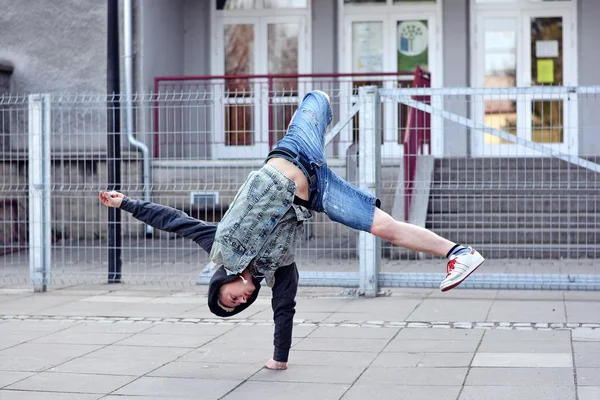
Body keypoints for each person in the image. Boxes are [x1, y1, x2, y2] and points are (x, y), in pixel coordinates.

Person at [99, 90, 484, 370]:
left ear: (221, 285)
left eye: (228, 299)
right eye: (238, 306)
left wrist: (126, 203)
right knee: (385, 228)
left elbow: (172, 220)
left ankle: (340, 99)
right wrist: (278, 361)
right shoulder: (279, 270)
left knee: (317, 100)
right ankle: (459, 253)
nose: (238, 300)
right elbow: (284, 310)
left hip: (293, 152)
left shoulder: (217, 245)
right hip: (318, 191)